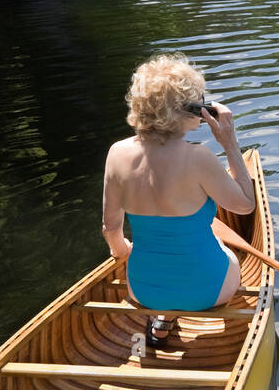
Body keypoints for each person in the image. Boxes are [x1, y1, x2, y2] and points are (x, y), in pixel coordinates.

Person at [101, 54, 256, 348]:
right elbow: (246, 205)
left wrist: (122, 251)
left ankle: (163, 318)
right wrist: (230, 144)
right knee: (224, 251)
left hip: (144, 291)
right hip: (209, 291)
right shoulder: (199, 158)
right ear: (188, 111)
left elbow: (110, 227)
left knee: (158, 258)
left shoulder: (116, 154)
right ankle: (228, 329)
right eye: (200, 101)